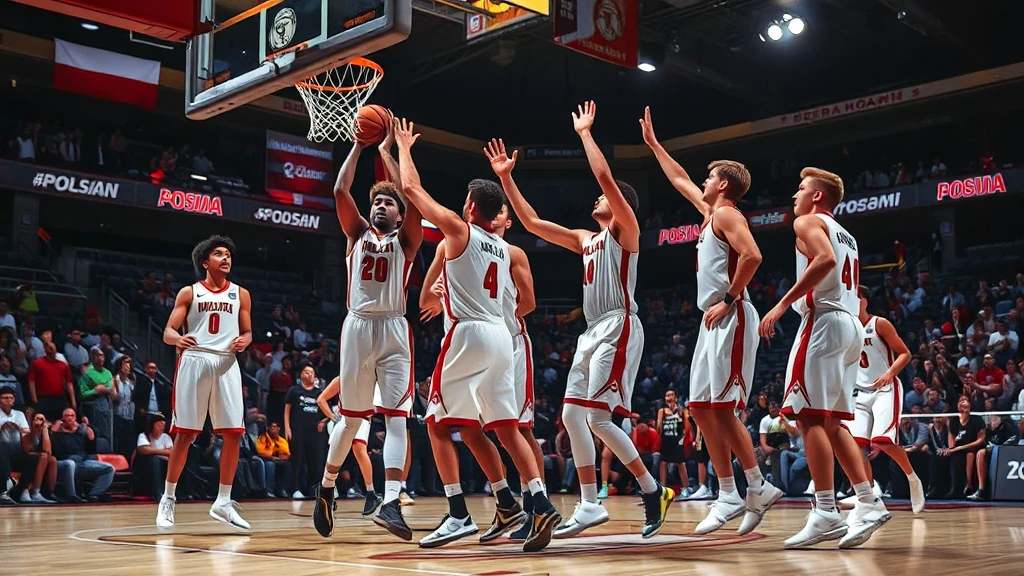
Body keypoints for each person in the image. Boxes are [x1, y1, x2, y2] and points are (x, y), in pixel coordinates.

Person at [488, 103, 672, 542]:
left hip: (619, 324)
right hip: (592, 331)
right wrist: (506, 178)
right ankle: (589, 504)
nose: (597, 198)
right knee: (572, 417)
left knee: (599, 419)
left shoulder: (625, 231)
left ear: (622, 204)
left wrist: (586, 133)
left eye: (604, 197)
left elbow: (607, 180)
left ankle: (653, 490)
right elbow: (531, 222)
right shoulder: (584, 239)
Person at [396, 118, 559, 552]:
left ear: (470, 207)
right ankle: (532, 502)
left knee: (434, 424)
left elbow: (412, 191)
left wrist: (404, 149)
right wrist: (438, 290)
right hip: (502, 338)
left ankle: (458, 514)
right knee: (502, 427)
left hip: (467, 333)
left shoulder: (458, 229)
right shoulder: (507, 249)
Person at [642, 106, 781, 535]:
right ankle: (728, 493)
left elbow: (754, 255)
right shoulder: (709, 216)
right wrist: (653, 145)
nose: (700, 183)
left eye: (708, 178)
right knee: (700, 409)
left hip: (732, 315)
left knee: (720, 408)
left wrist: (730, 296)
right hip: (712, 319)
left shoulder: (726, 214)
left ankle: (756, 485)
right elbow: (680, 178)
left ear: (722, 184)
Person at [759, 168, 889, 549]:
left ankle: (827, 511)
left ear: (817, 197)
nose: (794, 196)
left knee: (808, 417)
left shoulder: (807, 221)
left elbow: (825, 260)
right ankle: (868, 500)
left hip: (823, 321)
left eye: (801, 189)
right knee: (833, 423)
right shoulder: (847, 233)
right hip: (850, 326)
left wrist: (782, 304)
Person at [313, 116, 422, 542]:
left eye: (387, 204)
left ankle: (391, 502)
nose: (380, 206)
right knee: (353, 419)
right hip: (357, 326)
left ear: (398, 215)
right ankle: (326, 487)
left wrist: (389, 155)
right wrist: (359, 146)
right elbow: (341, 191)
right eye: (376, 202)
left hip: (395, 328)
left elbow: (411, 198)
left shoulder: (407, 240)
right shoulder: (356, 233)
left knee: (398, 420)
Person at [421, 200, 542, 542]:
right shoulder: (453, 242)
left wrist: (491, 313)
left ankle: (534, 505)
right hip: (479, 339)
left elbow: (528, 304)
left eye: (505, 209)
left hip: (501, 339)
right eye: (498, 208)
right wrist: (437, 292)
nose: (500, 213)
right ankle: (508, 504)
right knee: (474, 430)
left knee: (516, 428)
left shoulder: (513, 252)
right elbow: (425, 301)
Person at [156, 235, 253, 530]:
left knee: (234, 433)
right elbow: (168, 331)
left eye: (228, 254)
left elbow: (248, 332)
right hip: (195, 360)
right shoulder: (189, 292)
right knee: (185, 435)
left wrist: (244, 341)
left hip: (226, 363)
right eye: (219, 254)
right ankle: (168, 499)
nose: (226, 258)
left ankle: (223, 502)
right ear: (204, 262)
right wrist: (178, 338)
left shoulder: (241, 294)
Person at [840, 288, 924, 513]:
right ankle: (866, 496)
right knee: (857, 446)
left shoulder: (880, 324)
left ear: (865, 301)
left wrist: (890, 373)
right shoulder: (845, 328)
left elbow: (905, 353)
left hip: (885, 388)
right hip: (859, 392)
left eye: (857, 297)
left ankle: (913, 480)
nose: (852, 300)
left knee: (884, 441)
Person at [134, 413, 173, 500]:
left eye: (163, 425)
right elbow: (143, 449)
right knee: (154, 459)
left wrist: (152, 450)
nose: (162, 428)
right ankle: (158, 492)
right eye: (159, 425)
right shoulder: (143, 435)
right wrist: (162, 452)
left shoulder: (165, 437)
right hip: (148, 467)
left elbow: (171, 452)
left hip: (164, 465)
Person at [656, 390, 685, 488]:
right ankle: (663, 487)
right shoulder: (662, 411)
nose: (669, 397)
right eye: (667, 395)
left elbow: (686, 425)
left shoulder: (681, 410)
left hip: (677, 439)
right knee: (663, 462)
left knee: (680, 463)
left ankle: (685, 487)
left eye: (671, 395)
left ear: (676, 398)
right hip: (666, 440)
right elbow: (659, 427)